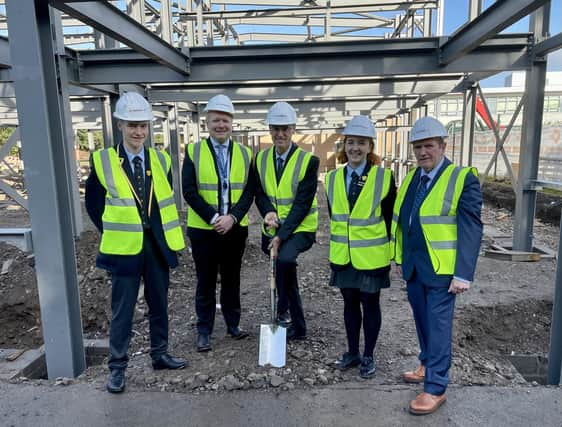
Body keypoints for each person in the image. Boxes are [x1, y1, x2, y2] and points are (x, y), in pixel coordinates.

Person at [85, 92, 187, 394]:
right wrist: (116, 232)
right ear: (120, 125)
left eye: (143, 125)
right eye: (132, 125)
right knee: (123, 310)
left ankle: (160, 354)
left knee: (159, 304)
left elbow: (162, 202)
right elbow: (93, 205)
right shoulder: (103, 160)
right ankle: (117, 368)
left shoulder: (161, 159)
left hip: (156, 245)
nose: (138, 132)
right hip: (124, 249)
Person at [391, 116, 483, 415]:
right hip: (415, 266)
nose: (422, 153)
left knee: (439, 326)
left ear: (443, 145)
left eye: (428, 146)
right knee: (422, 320)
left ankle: (435, 387)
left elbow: (471, 228)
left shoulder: (461, 178)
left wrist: (463, 273)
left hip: (444, 272)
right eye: (417, 147)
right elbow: (406, 221)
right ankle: (427, 363)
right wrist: (399, 256)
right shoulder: (412, 178)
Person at [182, 94, 254, 352]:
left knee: (232, 278)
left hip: (235, 229)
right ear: (207, 123)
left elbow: (249, 191)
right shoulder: (193, 151)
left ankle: (233, 325)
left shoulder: (246, 153)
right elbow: (188, 191)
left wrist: (232, 217)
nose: (220, 125)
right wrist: (214, 218)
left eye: (224, 120)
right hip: (204, 230)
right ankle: (204, 331)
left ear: (232, 122)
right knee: (206, 280)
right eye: (215, 121)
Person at [325, 115, 396, 379]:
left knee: (371, 305)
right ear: (344, 145)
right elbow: (336, 215)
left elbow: (389, 219)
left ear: (370, 147)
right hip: (344, 256)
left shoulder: (383, 177)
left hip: (371, 257)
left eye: (362, 143)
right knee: (349, 304)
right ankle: (352, 351)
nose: (355, 148)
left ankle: (369, 355)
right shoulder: (332, 178)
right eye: (351, 142)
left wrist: (392, 254)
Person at [254, 101, 318, 340]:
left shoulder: (308, 161)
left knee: (285, 261)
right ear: (269, 129)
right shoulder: (260, 160)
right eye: (275, 128)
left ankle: (295, 322)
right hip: (274, 226)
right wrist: (268, 212)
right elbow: (259, 192)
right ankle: (284, 312)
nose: (280, 133)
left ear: (293, 129)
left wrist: (282, 236)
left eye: (285, 128)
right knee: (283, 267)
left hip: (301, 228)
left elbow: (302, 205)